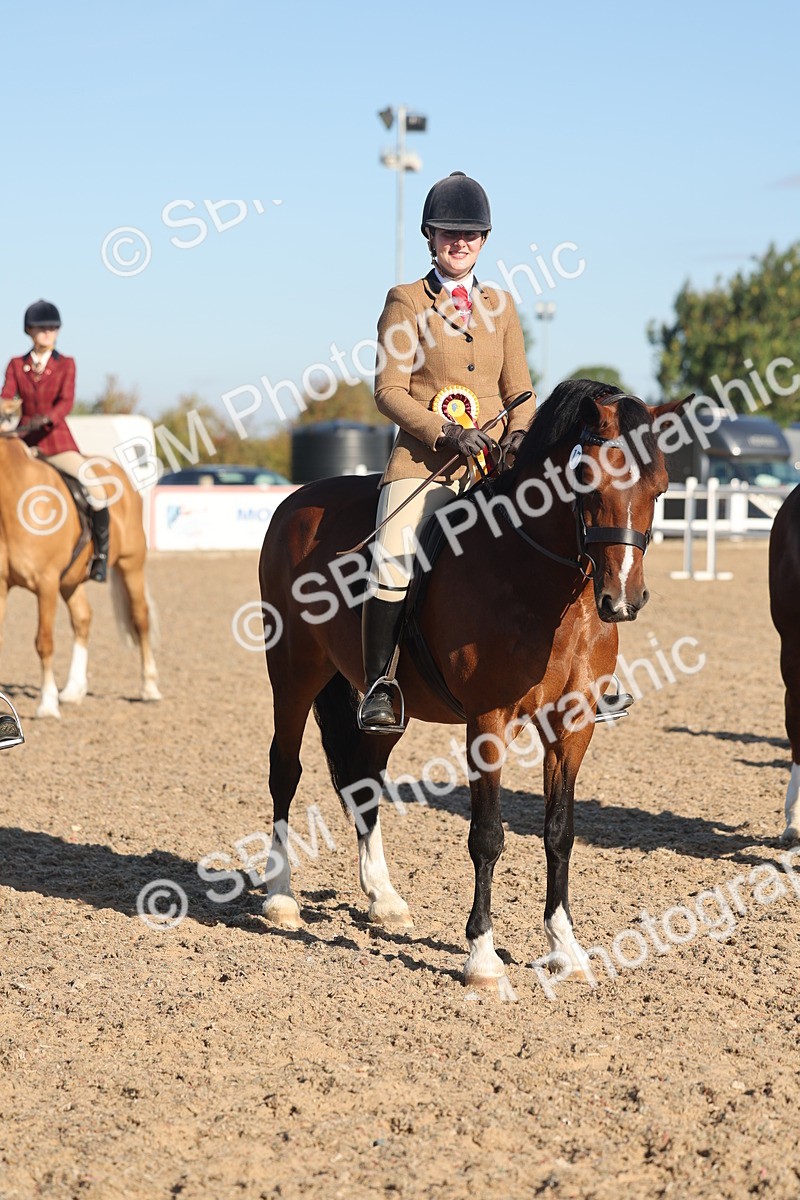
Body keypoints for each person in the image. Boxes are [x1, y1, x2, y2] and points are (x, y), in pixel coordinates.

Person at [358, 171, 537, 732]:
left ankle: (579, 675)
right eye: (448, 233)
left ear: (483, 240)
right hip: (425, 465)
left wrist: (518, 438)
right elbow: (387, 390)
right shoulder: (406, 301)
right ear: (430, 236)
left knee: (561, 535)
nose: (459, 243)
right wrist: (446, 432)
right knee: (391, 551)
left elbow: (521, 394)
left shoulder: (502, 305)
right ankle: (380, 686)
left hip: (493, 467)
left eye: (471, 235)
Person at [1, 300, 110, 582]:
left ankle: (99, 556)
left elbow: (66, 402)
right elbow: (8, 395)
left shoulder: (66, 364)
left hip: (56, 443)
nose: (49, 333)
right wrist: (5, 408)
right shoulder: (16, 364)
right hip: (24, 442)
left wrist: (47, 418)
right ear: (30, 331)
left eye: (53, 328)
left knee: (96, 491)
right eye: (43, 328)